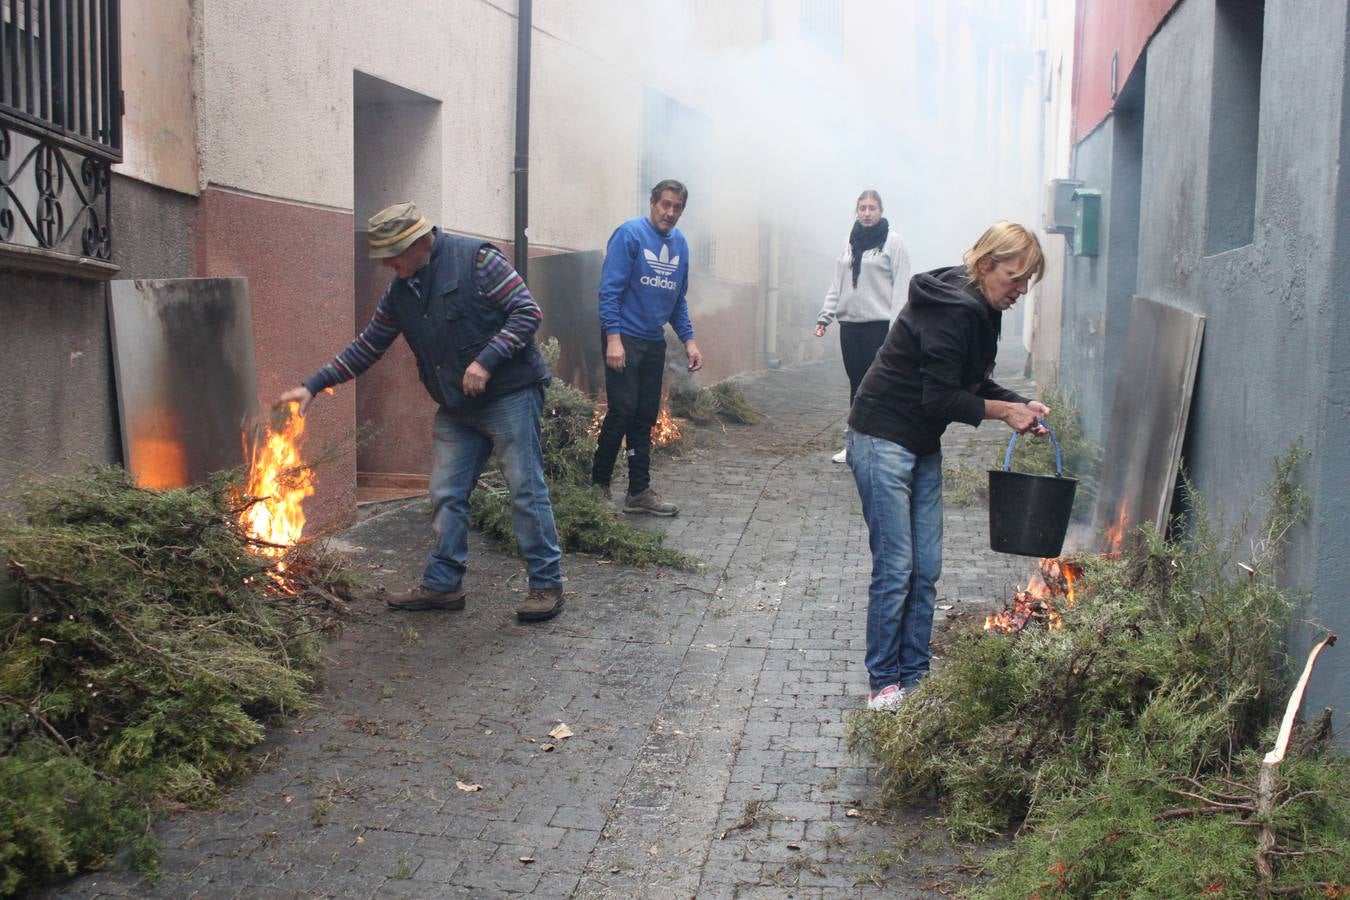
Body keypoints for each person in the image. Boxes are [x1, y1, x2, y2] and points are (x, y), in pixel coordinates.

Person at [277, 202, 566, 623]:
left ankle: (546, 584)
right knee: (446, 492)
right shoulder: (400, 292)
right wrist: (313, 385)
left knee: (525, 490)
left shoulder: (478, 260)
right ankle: (444, 585)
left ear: (417, 241)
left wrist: (486, 360)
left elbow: (527, 313)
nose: (388, 264)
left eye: (392, 254)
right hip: (455, 405)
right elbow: (368, 346)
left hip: (510, 394)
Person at [848, 221, 1050, 711]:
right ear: (985, 267)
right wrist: (1005, 413)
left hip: (919, 444)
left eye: (1027, 282)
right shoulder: (953, 311)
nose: (1021, 291)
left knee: (927, 568)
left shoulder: (982, 306)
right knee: (897, 566)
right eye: (1015, 278)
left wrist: (1020, 402)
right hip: (880, 437)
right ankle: (884, 685)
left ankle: (916, 680)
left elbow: (971, 381)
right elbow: (940, 397)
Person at [590, 179, 704, 515]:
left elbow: (676, 301)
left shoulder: (681, 244)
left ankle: (638, 492)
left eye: (677, 207)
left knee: (645, 417)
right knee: (622, 410)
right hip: (623, 337)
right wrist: (613, 338)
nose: (670, 212)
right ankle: (598, 486)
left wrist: (689, 341)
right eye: (665, 204)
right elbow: (609, 291)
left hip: (654, 341)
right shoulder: (629, 235)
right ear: (652, 202)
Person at [814, 190, 911, 464]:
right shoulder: (849, 241)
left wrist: (897, 328)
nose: (867, 213)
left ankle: (883, 444)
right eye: (862, 208)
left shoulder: (893, 242)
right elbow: (838, 283)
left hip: (879, 327)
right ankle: (855, 444)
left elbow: (902, 287)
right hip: (850, 327)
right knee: (856, 386)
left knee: (878, 386)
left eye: (872, 208)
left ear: (881, 211)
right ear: (856, 212)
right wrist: (825, 316)